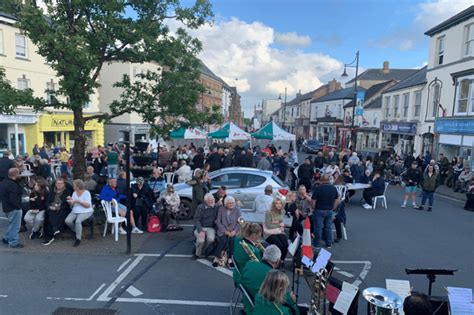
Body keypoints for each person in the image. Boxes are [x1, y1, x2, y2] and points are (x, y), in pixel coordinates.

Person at [239, 245, 282, 314]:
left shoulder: (249, 264)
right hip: (262, 308)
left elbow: (241, 281)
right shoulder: (273, 276)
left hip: (248, 304)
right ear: (277, 261)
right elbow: (281, 298)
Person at [311, 175, 340, 248]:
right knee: (328, 227)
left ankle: (316, 244)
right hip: (329, 210)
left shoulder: (318, 189)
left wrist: (314, 208)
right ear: (329, 180)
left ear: (321, 180)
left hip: (319, 210)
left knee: (318, 228)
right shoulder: (333, 188)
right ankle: (329, 243)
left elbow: (313, 200)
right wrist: (333, 207)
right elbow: (337, 199)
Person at [42, 178, 72, 245]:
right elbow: (47, 202)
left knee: (53, 216)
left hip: (62, 209)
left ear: (64, 184)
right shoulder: (52, 192)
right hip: (51, 208)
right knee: (49, 214)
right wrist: (50, 207)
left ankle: (50, 237)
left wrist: (58, 208)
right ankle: (54, 229)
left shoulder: (67, 192)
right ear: (55, 184)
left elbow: (67, 204)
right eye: (58, 183)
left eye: (61, 183)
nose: (59, 185)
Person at [214, 196, 241, 268]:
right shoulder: (221, 209)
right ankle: (216, 257)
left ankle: (230, 259)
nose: (231, 204)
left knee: (232, 240)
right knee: (223, 240)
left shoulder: (237, 210)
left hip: (233, 231)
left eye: (232, 203)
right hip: (223, 230)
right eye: (229, 203)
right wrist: (225, 231)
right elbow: (218, 221)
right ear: (226, 204)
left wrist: (235, 231)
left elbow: (240, 222)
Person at [65, 179, 93, 247]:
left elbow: (88, 205)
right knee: (67, 221)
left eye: (74, 185)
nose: (73, 186)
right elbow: (73, 204)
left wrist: (79, 201)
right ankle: (76, 230)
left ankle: (78, 238)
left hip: (86, 211)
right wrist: (71, 201)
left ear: (78, 186)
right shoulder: (74, 192)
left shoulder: (86, 193)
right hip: (75, 210)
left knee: (78, 221)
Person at [0, 168, 24, 248]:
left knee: (12, 224)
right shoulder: (13, 185)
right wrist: (19, 207)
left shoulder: (4, 182)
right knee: (15, 226)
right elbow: (13, 199)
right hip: (13, 208)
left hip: (6, 207)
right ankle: (13, 242)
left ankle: (6, 238)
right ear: (16, 174)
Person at [193, 193, 218, 258]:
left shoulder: (216, 207)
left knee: (211, 239)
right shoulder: (200, 207)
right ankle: (197, 254)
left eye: (213, 200)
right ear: (206, 201)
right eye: (210, 200)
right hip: (201, 227)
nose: (212, 201)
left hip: (211, 228)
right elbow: (197, 220)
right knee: (201, 241)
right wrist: (200, 230)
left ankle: (202, 250)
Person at [264, 198, 289, 262]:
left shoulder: (283, 211)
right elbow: (268, 225)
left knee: (285, 244)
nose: (279, 205)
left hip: (279, 231)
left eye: (280, 203)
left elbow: (281, 222)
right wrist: (279, 225)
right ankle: (276, 261)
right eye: (277, 203)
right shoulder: (269, 212)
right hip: (270, 233)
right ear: (274, 204)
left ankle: (281, 260)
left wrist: (278, 224)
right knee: (279, 245)